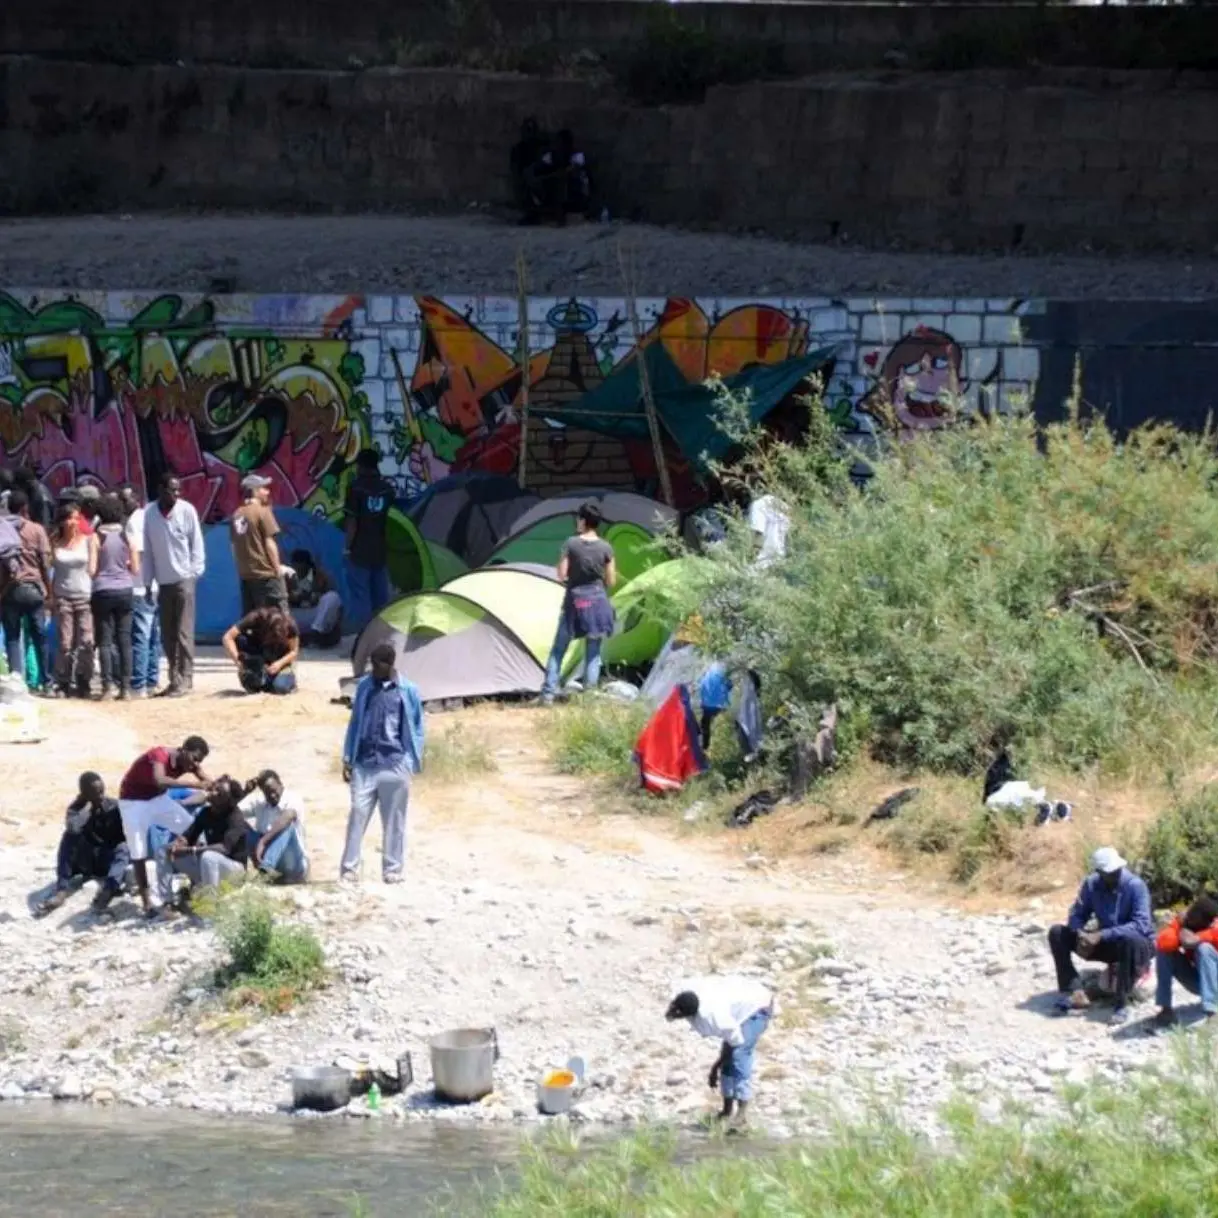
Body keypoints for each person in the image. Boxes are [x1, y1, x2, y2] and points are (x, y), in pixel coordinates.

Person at [340, 641, 424, 885]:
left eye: (378, 665)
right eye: (372, 664)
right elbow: (355, 723)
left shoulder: (407, 690)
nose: (374, 669)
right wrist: (348, 757)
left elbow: (417, 726)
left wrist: (410, 760)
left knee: (394, 820)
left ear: (390, 664)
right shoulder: (365, 687)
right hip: (365, 763)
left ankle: (393, 869)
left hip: (395, 763)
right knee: (357, 813)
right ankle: (349, 870)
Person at [1048, 846, 1154, 1026]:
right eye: (1109, 871)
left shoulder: (1135, 886)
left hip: (1138, 945)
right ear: (1099, 872)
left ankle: (1121, 1004)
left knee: (1130, 940)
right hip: (1109, 942)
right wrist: (1080, 932)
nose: (1115, 874)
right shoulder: (1091, 884)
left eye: (1116, 869)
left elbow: (1141, 925)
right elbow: (1077, 913)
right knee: (1057, 933)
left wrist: (1101, 935)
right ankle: (1073, 990)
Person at [118, 736, 211, 917]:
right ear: (183, 749)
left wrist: (216, 783)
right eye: (194, 758)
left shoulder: (190, 763)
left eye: (199, 761)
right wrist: (196, 784)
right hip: (133, 803)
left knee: (191, 828)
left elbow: (207, 779)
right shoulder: (159, 755)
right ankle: (147, 903)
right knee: (138, 852)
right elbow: (160, 780)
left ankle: (195, 888)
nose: (195, 763)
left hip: (157, 800)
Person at [665, 975, 775, 1127]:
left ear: (690, 1014)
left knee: (739, 1056)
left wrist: (716, 1066)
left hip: (757, 1007)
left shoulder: (713, 1017)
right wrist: (716, 1067)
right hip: (738, 1001)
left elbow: (735, 1042)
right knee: (729, 1060)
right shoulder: (684, 992)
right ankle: (726, 1111)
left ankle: (742, 1113)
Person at [539, 502, 617, 705]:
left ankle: (547, 695)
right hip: (598, 604)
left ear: (582, 520)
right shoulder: (606, 547)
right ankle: (589, 699)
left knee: (559, 649)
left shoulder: (571, 544)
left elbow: (561, 574)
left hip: (575, 603)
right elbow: (611, 581)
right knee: (593, 654)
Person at [142, 473, 205, 697]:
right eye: (172, 490)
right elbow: (148, 551)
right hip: (163, 581)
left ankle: (186, 679)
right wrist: (147, 582)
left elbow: (196, 543)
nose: (176, 494)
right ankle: (174, 678)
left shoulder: (186, 510)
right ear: (160, 489)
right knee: (167, 635)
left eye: (178, 490)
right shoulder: (149, 513)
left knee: (183, 632)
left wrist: (194, 573)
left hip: (183, 580)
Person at [35, 772, 130, 918]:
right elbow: (73, 828)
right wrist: (87, 808)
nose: (100, 796)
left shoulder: (113, 806)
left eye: (101, 791)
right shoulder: (76, 809)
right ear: (84, 793)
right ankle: (62, 890)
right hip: (84, 861)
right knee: (68, 837)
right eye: (95, 793)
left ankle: (108, 891)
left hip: (104, 860)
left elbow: (127, 832)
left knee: (123, 847)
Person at [161, 776, 251, 901]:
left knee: (208, 856)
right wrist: (179, 843)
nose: (213, 793)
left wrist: (192, 850)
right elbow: (190, 835)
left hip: (234, 871)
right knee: (164, 851)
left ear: (228, 801)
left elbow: (224, 848)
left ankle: (210, 906)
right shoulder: (206, 812)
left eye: (219, 793)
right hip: (210, 868)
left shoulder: (236, 818)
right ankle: (167, 902)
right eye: (215, 789)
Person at [0, 488, 53, 692]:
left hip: (9, 590)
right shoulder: (37, 529)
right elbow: (45, 563)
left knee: (13, 637)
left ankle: (17, 683)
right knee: (40, 637)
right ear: (25, 508)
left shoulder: (2, 529)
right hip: (33, 589)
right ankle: (47, 682)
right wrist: (48, 590)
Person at [90, 494, 139, 699]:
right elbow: (136, 569)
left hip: (102, 591)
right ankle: (126, 687)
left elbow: (92, 570)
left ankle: (107, 686)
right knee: (124, 639)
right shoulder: (127, 536)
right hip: (125, 590)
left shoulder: (96, 537)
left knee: (105, 640)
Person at [48, 499, 97, 697]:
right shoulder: (55, 543)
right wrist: (50, 598)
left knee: (86, 641)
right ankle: (63, 682)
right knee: (65, 643)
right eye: (69, 518)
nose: (73, 522)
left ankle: (84, 680)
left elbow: (92, 569)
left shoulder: (88, 540)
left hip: (84, 597)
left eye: (77, 518)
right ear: (62, 521)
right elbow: (50, 571)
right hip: (63, 598)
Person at [120, 484, 163, 698]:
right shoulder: (150, 517)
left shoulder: (133, 522)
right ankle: (152, 679)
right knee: (154, 636)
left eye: (124, 499)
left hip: (140, 586)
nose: (122, 504)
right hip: (155, 584)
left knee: (141, 637)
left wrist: (129, 565)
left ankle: (139, 684)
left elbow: (137, 551)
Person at [1152, 895, 1218, 1030]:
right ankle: (1165, 1009)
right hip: (1200, 982)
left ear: (1208, 922)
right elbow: (1163, 943)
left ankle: (1213, 1012)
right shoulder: (1185, 922)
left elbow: (1190, 941)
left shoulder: (1215, 928)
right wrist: (1178, 925)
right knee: (1165, 951)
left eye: (1195, 916)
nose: (1190, 917)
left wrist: (1181, 927)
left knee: (1204, 948)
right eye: (1191, 913)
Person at [343, 449, 395, 623]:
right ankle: (380, 632)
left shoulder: (355, 488)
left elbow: (353, 522)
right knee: (380, 595)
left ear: (361, 465)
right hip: (380, 549)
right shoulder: (387, 489)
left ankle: (363, 635)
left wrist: (347, 548)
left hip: (359, 550)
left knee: (361, 595)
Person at [230, 473, 287, 614]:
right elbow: (269, 542)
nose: (267, 492)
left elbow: (233, 546)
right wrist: (277, 570)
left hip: (247, 576)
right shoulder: (262, 511)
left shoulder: (237, 514)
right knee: (278, 618)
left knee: (254, 619)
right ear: (254, 490)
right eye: (264, 488)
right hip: (266, 575)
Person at [241, 768, 309, 883]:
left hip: (292, 864)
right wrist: (245, 792)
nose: (272, 796)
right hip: (269, 858)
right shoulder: (260, 802)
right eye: (267, 793)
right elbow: (234, 811)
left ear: (280, 784)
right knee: (239, 824)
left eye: (274, 791)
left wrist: (263, 841)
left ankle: (266, 870)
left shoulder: (292, 798)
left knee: (287, 827)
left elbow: (288, 816)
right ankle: (248, 872)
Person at [221, 606, 300, 695]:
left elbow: (294, 651)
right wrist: (239, 663)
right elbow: (227, 637)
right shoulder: (255, 617)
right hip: (260, 653)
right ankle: (255, 674)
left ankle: (282, 679)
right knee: (240, 639)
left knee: (279, 688)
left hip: (280, 660)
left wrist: (279, 664)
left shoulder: (290, 625)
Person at [289, 553, 343, 649]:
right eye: (294, 565)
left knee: (333, 597)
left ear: (307, 565)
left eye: (300, 565)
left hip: (317, 616)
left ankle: (317, 633)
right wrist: (295, 597)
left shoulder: (320, 576)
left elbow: (333, 606)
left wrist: (314, 596)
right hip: (298, 616)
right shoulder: (288, 576)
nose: (297, 568)